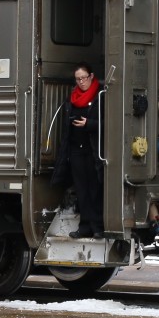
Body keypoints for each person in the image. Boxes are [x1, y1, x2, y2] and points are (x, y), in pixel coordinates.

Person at [50, 63, 104, 238]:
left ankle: (97, 226)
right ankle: (85, 226)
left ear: (91, 76)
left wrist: (89, 124)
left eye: (84, 78)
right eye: (78, 79)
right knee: (81, 189)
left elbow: (109, 123)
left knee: (94, 189)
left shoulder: (100, 95)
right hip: (75, 149)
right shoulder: (72, 97)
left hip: (92, 149)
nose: (81, 82)